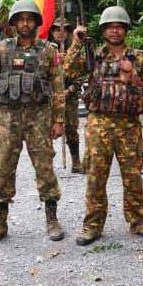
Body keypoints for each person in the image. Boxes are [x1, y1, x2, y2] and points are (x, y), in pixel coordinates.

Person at [64, 6, 143, 245]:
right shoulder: (92, 56)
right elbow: (66, 71)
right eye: (110, 26)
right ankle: (92, 225)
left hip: (129, 125)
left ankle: (139, 221)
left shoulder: (140, 58)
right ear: (104, 30)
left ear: (125, 29)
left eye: (119, 26)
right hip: (99, 124)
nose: (115, 30)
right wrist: (76, 42)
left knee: (133, 175)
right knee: (96, 176)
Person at [0, 0, 65, 247]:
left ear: (36, 23)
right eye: (20, 19)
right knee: (3, 168)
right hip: (8, 118)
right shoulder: (1, 48)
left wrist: (58, 120)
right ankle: (0, 224)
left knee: (45, 168)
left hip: (38, 117)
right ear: (14, 23)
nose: (25, 23)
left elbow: (58, 87)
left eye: (29, 19)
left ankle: (52, 220)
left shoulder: (49, 50)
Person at [50, 18, 84, 173]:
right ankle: (45, 164)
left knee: (71, 129)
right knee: (46, 130)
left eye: (64, 30)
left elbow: (80, 77)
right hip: (50, 98)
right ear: (52, 32)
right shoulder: (47, 50)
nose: (60, 33)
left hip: (69, 97)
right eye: (57, 29)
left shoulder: (76, 51)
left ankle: (76, 162)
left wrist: (68, 91)